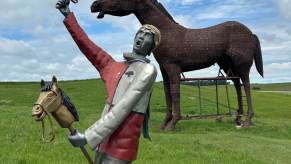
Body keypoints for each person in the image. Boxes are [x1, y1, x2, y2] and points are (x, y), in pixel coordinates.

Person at [56, 0, 160, 163]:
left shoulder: (147, 70)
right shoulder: (114, 67)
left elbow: (123, 107)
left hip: (121, 149)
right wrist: (68, 16)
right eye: (140, 32)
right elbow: (89, 47)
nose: (141, 36)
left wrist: (88, 137)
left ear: (152, 47)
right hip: (103, 143)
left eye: (147, 36)